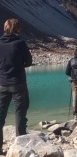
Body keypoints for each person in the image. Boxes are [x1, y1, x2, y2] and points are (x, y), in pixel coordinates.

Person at [0, 18, 32, 153]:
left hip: (2, 83)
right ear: (17, 29)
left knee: (0, 115)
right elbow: (29, 62)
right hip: (18, 83)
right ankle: (21, 146)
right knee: (20, 112)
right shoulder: (20, 43)